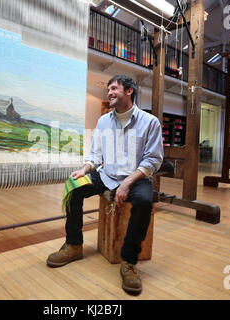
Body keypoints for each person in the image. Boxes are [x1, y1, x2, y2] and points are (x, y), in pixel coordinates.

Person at [47, 75, 163, 295]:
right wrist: (84, 169)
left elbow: (153, 160)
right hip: (107, 174)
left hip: (135, 177)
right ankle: (73, 245)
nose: (109, 93)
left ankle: (128, 261)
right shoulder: (103, 121)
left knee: (145, 201)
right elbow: (96, 155)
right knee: (73, 187)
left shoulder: (150, 122)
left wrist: (127, 183)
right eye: (108, 89)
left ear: (129, 91)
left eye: (113, 88)